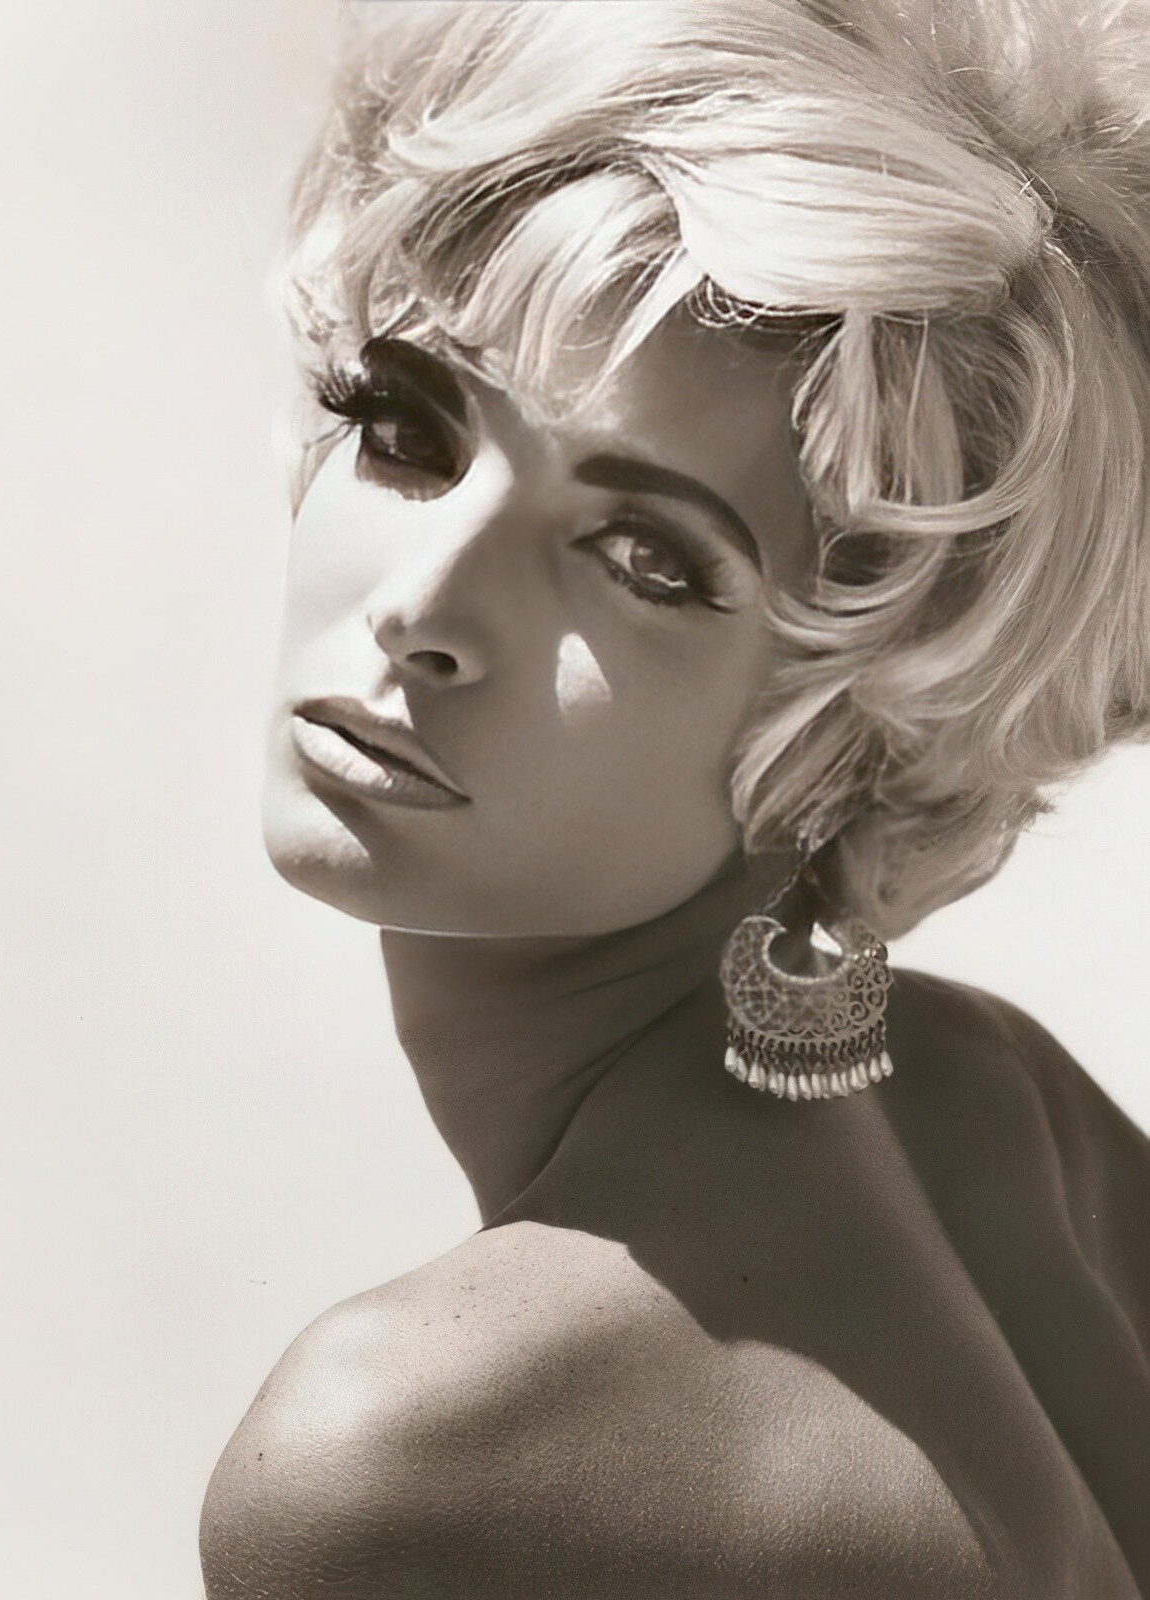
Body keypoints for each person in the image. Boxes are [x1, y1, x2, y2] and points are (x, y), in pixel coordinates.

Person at [199, 2, 1150, 1594]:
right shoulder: (1006, 1123)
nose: (423, 606)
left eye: (645, 558)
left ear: (864, 730)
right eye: (408, 429)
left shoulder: (421, 1450)